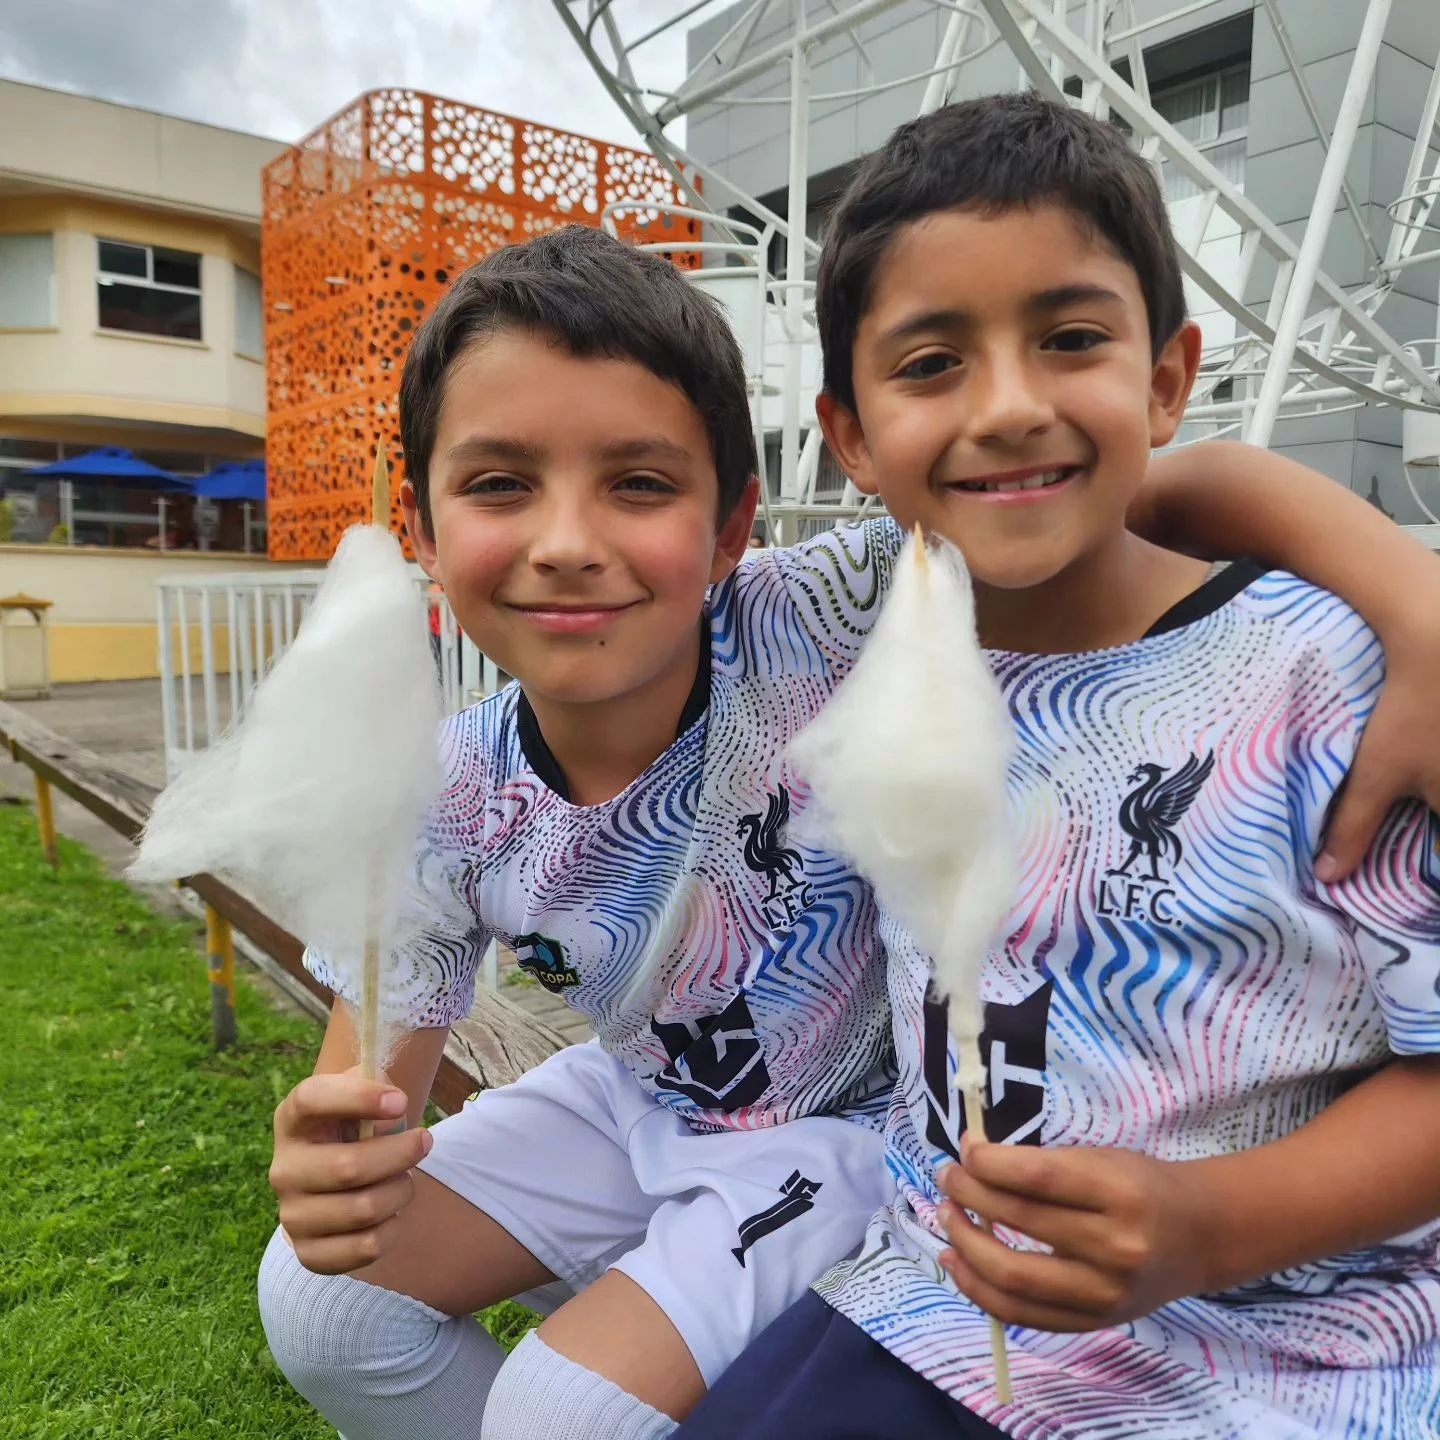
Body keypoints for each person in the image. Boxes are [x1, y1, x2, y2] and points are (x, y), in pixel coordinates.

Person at [257, 224, 1440, 1440]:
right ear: (421, 524)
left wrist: (1419, 602)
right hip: (637, 1095)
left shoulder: (833, 607)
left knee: (563, 1411)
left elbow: (1136, 488)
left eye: (640, 482)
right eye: (500, 484)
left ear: (730, 529)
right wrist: (333, 1155)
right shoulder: (447, 785)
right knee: (319, 1298)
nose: (568, 543)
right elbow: (366, 1087)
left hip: (850, 1133)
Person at [677, 94, 1440, 1440]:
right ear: (848, 435)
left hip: (1308, 1350)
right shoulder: (860, 629)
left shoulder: (1328, 679)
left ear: (1165, 375)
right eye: (931, 365)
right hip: (945, 1294)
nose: (1012, 407)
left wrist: (1208, 1225)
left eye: (1071, 339)